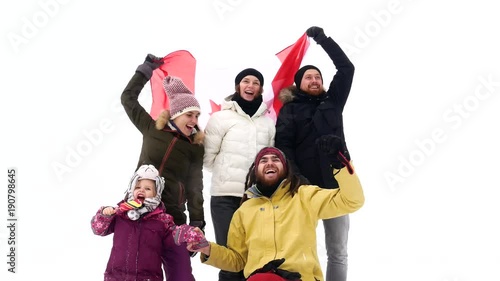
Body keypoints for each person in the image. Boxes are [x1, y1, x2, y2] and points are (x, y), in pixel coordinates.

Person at [188, 146, 364, 281]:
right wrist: (207, 248)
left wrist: (341, 165)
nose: (270, 163)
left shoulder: (304, 196)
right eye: (263, 160)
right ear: (256, 171)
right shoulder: (244, 211)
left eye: (275, 159)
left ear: (285, 168)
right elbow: (238, 260)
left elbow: (352, 200)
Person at [274, 26, 356, 281]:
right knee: (299, 250)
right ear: (299, 84)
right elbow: (284, 146)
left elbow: (347, 69)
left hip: (336, 188)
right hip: (303, 189)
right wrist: (297, 180)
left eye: (317, 77)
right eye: (308, 77)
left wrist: (323, 40)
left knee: (338, 252)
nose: (314, 80)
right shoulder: (289, 110)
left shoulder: (333, 102)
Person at [203, 68, 275, 281]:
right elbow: (208, 158)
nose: (250, 85)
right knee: (229, 259)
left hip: (257, 198)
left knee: (255, 258)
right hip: (225, 197)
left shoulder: (268, 124)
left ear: (260, 89)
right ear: (238, 86)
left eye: (256, 82)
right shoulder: (220, 118)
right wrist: (228, 172)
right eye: (246, 81)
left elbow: (270, 162)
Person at [91, 164, 208, 281]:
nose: (141, 190)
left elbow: (175, 236)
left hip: (147, 278)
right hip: (116, 277)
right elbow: (98, 229)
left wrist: (188, 233)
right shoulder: (120, 214)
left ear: (156, 194)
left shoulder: (162, 220)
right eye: (137, 187)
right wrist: (104, 215)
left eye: (148, 188)